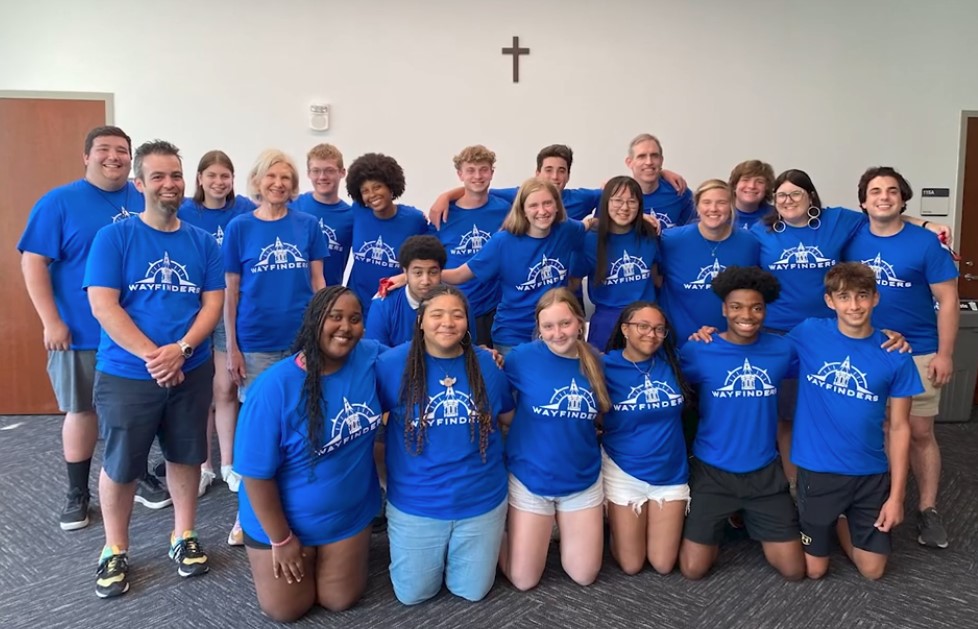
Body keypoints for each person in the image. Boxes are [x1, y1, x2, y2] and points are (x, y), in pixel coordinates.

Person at [83, 140, 224, 598]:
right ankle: (114, 548)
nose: (169, 184)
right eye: (158, 176)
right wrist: (156, 356)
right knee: (122, 463)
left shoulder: (202, 242)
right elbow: (104, 306)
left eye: (176, 175)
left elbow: (213, 304)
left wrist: (181, 350)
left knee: (186, 455)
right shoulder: (115, 238)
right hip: (127, 372)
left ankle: (183, 534)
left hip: (190, 367)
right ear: (139, 184)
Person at [750, 168, 946, 492]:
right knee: (786, 416)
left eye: (796, 193)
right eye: (781, 195)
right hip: (781, 335)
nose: (788, 200)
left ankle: (844, 485)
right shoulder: (762, 231)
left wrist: (927, 225)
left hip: (831, 333)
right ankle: (795, 487)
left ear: (811, 196)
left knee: (836, 412)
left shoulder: (836, 220)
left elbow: (882, 214)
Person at [16, 125, 170, 532]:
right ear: (86, 156)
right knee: (81, 410)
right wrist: (51, 321)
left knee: (135, 413)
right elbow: (33, 262)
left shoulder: (143, 196)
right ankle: (77, 492)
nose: (113, 157)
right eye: (103, 149)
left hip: (136, 336)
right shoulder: (59, 202)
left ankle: (136, 475)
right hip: (81, 332)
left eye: (122, 150)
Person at [234, 286, 383, 622]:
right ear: (314, 321)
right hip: (282, 521)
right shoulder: (273, 388)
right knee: (286, 610)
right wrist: (281, 539)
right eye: (335, 317)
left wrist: (479, 354)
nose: (345, 327)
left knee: (339, 599)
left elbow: (420, 355)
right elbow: (255, 476)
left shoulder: (369, 357)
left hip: (348, 514)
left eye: (355, 319)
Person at [843, 166, 960, 549]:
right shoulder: (851, 235)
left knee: (920, 433)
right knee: (874, 430)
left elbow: (948, 300)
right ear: (863, 202)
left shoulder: (926, 244)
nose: (884, 197)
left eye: (892, 191)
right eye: (875, 191)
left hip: (919, 351)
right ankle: (879, 501)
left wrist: (945, 354)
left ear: (903, 198)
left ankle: (928, 509)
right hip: (866, 351)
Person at [376, 284, 514, 604]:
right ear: (421, 320)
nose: (447, 323)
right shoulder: (392, 365)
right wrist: (383, 478)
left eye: (457, 315)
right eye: (437, 314)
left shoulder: (486, 365)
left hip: (481, 500)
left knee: (472, 591)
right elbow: (369, 425)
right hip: (417, 503)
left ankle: (500, 537)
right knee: (412, 595)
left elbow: (509, 417)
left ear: (468, 322)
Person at [790, 262, 923, 580]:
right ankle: (832, 517)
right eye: (844, 297)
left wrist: (897, 497)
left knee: (873, 570)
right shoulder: (809, 333)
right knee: (814, 570)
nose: (854, 305)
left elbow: (899, 427)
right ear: (829, 301)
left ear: (875, 298)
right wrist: (713, 335)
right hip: (819, 470)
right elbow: (758, 346)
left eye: (862, 295)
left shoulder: (896, 353)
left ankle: (843, 518)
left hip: (870, 473)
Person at [223, 149, 328, 543]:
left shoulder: (308, 225)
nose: (278, 184)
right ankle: (247, 515)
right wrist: (232, 347)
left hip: (302, 340)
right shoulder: (240, 228)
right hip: (256, 343)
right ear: (257, 181)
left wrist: (322, 332)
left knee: (303, 424)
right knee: (258, 430)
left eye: (286, 178)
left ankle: (297, 509)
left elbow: (318, 283)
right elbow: (231, 292)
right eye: (271, 177)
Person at [677, 266, 804, 581]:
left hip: (764, 472)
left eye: (756, 307)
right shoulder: (698, 349)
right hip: (713, 471)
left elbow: (834, 346)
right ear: (724, 309)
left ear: (765, 311)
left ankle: (744, 515)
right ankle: (728, 516)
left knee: (794, 570)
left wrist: (884, 335)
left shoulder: (782, 349)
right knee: (693, 570)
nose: (746, 315)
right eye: (736, 306)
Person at [498, 287, 611, 590]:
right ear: (539, 328)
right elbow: (501, 406)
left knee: (584, 574)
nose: (557, 333)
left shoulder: (596, 362)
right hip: (530, 477)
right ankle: (492, 535)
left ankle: (557, 527)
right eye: (548, 326)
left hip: (581, 478)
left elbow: (602, 413)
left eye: (565, 323)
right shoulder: (520, 358)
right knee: (523, 580)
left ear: (579, 322)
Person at [428, 179, 589, 354]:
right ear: (523, 210)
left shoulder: (566, 230)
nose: (542, 211)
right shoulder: (503, 242)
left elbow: (588, 226)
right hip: (514, 334)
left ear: (557, 205)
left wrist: (576, 277)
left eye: (547, 203)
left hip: (555, 331)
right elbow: (460, 275)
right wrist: (425, 275)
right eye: (533, 205)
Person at [177, 150, 256, 496]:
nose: (218, 182)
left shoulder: (244, 211)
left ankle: (229, 465)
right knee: (200, 392)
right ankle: (203, 466)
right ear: (199, 178)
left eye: (225, 176)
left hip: (228, 309)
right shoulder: (184, 211)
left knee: (225, 388)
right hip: (192, 309)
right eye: (211, 175)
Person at [602, 302, 692, 575]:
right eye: (643, 326)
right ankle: (613, 527)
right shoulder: (603, 365)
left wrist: (706, 334)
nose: (651, 334)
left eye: (659, 329)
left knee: (663, 564)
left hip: (670, 472)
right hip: (624, 470)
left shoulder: (674, 361)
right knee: (631, 565)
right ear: (625, 329)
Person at [428, 143, 689, 227]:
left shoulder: (582, 199)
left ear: (568, 175)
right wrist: (445, 196)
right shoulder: (519, 196)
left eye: (561, 171)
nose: (554, 177)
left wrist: (660, 172)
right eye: (548, 170)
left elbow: (618, 192)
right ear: (537, 173)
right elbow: (480, 189)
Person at [658, 179, 760, 346]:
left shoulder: (749, 243)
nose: (713, 209)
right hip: (678, 343)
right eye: (706, 202)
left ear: (732, 206)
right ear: (697, 207)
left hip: (729, 342)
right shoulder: (670, 240)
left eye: (721, 203)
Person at [430, 144, 512, 346]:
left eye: (483, 169)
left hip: (495, 308)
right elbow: (428, 258)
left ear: (492, 173)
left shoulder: (505, 210)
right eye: (470, 170)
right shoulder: (443, 214)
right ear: (460, 174)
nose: (478, 176)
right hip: (454, 308)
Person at [572, 176, 659, 350]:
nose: (624, 207)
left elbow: (658, 279)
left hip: (647, 319)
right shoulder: (589, 240)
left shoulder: (649, 235)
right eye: (617, 200)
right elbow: (572, 283)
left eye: (631, 202)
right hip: (606, 323)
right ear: (606, 203)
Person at [346, 152, 429, 316]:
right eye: (365, 191)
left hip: (394, 307)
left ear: (391, 187)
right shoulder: (357, 211)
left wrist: (406, 277)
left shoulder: (414, 220)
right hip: (356, 306)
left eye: (377, 187)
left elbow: (430, 258)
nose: (372, 195)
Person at [366, 235, 475, 347]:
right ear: (405, 272)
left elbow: (470, 349)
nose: (425, 281)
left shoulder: (459, 304)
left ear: (441, 272)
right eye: (418, 273)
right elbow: (376, 353)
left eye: (433, 272)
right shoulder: (383, 306)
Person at [291, 143, 354, 287]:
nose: (322, 177)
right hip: (295, 294)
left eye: (329, 171)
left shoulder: (351, 217)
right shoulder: (294, 205)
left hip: (330, 295)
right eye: (316, 171)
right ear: (308, 173)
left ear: (342, 172)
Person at [624, 133, 694, 230]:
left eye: (654, 156)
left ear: (661, 160)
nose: (649, 162)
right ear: (629, 162)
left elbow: (697, 228)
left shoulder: (679, 191)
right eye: (641, 156)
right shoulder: (617, 198)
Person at [729, 160, 776, 230]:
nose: (752, 186)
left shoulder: (776, 216)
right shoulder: (721, 214)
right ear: (735, 185)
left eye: (760, 182)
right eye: (746, 180)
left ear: (767, 188)